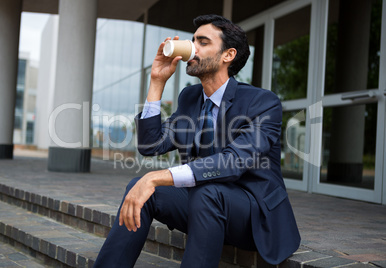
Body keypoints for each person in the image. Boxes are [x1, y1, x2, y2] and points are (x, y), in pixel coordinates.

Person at [94, 14, 300, 267]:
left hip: (254, 215)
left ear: (228, 55)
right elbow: (150, 145)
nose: (193, 49)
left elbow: (232, 162)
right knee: (143, 188)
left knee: (205, 191)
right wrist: (157, 82)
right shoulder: (190, 98)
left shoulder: (262, 102)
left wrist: (156, 176)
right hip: (206, 206)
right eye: (193, 41)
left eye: (202, 42)